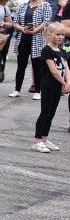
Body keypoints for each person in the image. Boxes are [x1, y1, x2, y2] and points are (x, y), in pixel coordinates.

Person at [9, 0, 51, 99]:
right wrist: (22, 29)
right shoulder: (22, 6)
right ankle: (17, 89)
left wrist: (35, 30)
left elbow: (47, 21)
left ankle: (38, 91)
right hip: (23, 38)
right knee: (21, 66)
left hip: (37, 39)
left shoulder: (45, 6)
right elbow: (15, 22)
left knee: (37, 66)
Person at [32, 23, 70, 153]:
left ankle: (44, 138)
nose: (61, 37)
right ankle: (37, 140)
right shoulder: (46, 50)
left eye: (63, 34)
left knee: (52, 113)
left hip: (58, 86)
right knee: (45, 113)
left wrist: (68, 82)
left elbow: (66, 67)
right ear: (48, 35)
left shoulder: (63, 49)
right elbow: (53, 70)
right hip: (48, 85)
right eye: (57, 34)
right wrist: (64, 83)